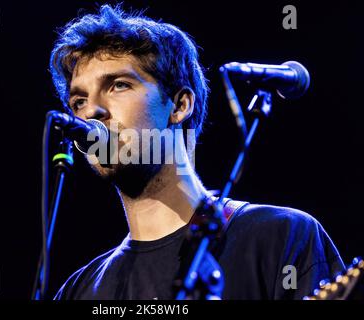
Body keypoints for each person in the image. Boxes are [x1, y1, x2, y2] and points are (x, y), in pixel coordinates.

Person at [49, 4, 345, 300]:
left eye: (118, 85)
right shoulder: (79, 292)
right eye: (78, 101)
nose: (91, 111)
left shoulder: (281, 237)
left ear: (179, 106)